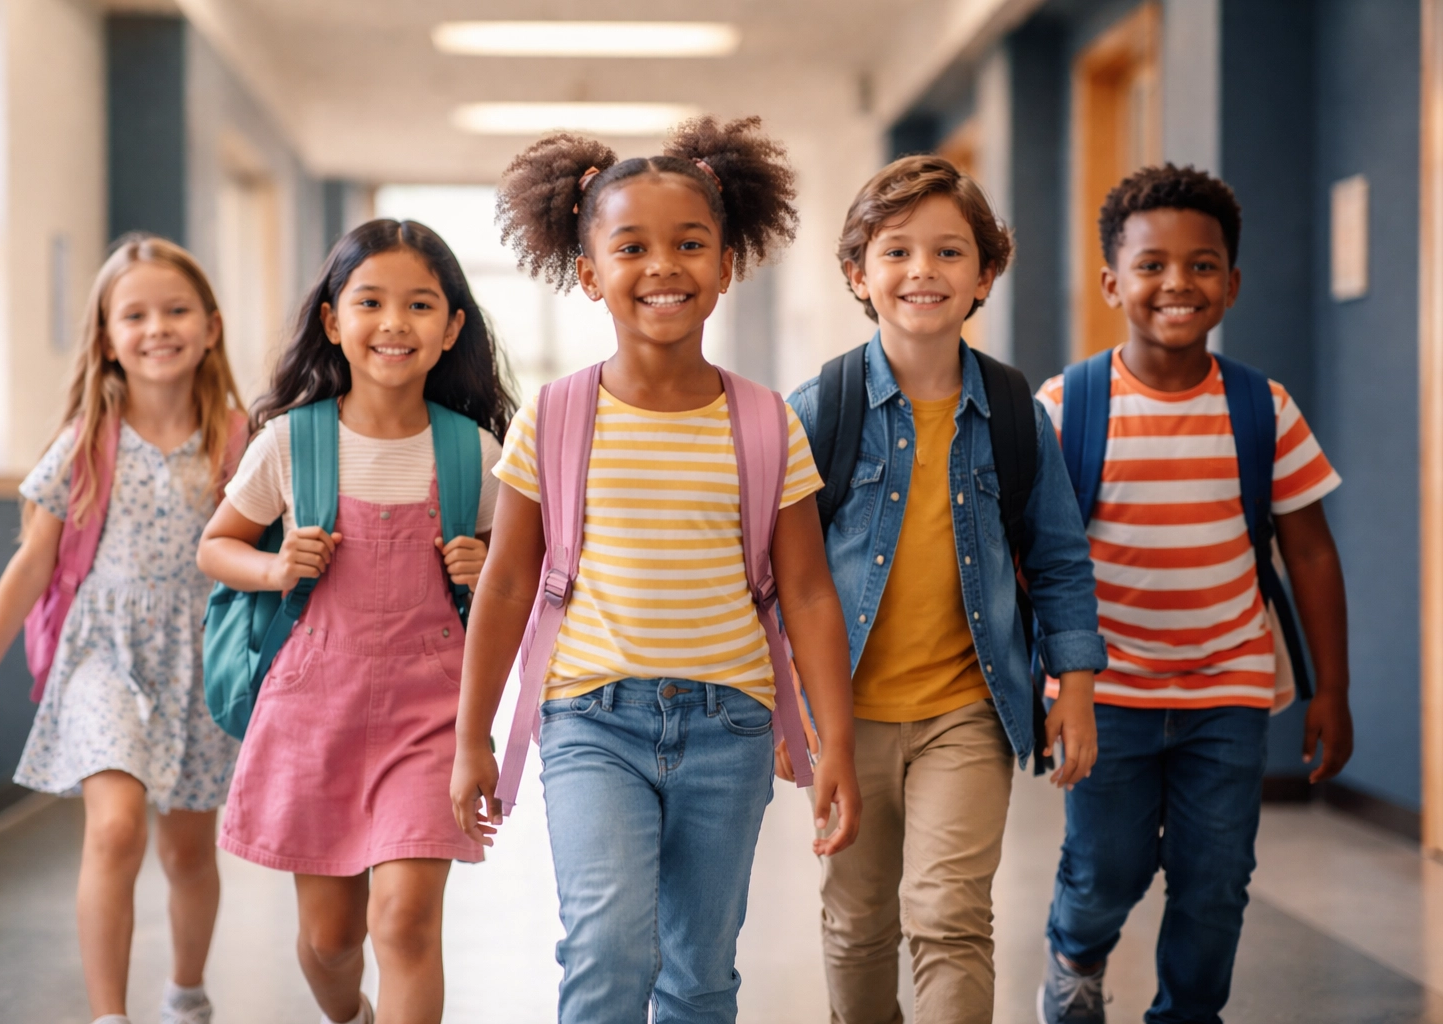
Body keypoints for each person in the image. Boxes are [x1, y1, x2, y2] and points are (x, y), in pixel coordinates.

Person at [449, 115, 862, 1024]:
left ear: (726, 264)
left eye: (689, 244)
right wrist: (472, 734)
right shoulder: (554, 418)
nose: (663, 265)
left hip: (733, 724)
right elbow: (511, 585)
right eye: (631, 246)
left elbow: (805, 590)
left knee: (701, 974)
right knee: (606, 947)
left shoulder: (764, 422)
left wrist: (834, 741)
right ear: (590, 274)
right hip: (591, 718)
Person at [784, 155, 1107, 1023]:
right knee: (856, 922)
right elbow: (776, 575)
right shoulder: (820, 408)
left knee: (950, 916)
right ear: (859, 274)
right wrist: (789, 708)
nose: (922, 271)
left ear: (985, 275)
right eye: (896, 252)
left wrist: (1072, 685)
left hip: (969, 709)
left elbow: (1060, 559)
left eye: (949, 252)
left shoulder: (1012, 414)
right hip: (843, 715)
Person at [1034, 164, 1354, 1024]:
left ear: (1232, 284)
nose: (1177, 282)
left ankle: (1188, 1015)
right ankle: (1073, 954)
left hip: (1229, 686)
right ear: (1112, 283)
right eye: (1151, 265)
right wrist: (1051, 686)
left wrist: (1332, 692)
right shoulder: (1068, 406)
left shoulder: (1263, 407)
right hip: (1105, 694)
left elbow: (1312, 556)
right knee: (1107, 868)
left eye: (1202, 264)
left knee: (1216, 879)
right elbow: (1030, 559)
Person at [196, 219, 514, 1024]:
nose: (394, 323)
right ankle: (351, 1016)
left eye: (420, 304)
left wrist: (487, 566)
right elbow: (216, 548)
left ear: (451, 330)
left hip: (429, 711)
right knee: (330, 940)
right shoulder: (288, 443)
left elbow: (522, 582)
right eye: (370, 301)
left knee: (405, 921)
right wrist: (275, 567)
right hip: (315, 710)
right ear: (335, 323)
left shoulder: (475, 452)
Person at [0, 235, 246, 1024]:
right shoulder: (85, 442)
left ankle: (186, 994)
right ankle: (108, 1016)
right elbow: (31, 565)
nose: (157, 328)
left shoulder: (239, 440)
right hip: (103, 655)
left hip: (200, 658)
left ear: (211, 327)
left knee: (186, 850)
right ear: (107, 339)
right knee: (114, 829)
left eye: (176, 310)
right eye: (134, 314)